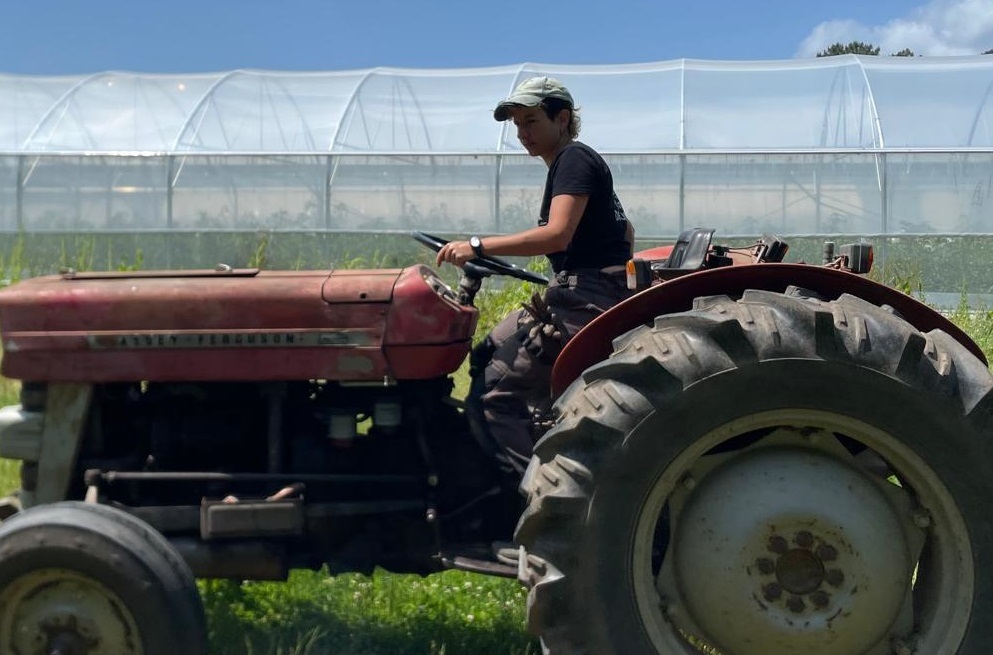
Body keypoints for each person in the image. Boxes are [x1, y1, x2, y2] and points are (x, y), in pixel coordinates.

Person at [436, 76, 634, 484]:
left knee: (494, 396)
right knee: (486, 353)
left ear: (562, 118)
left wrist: (477, 246)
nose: (522, 133)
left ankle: (539, 497)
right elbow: (625, 229)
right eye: (517, 125)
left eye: (531, 121)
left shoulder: (573, 158)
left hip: (584, 297)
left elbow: (557, 235)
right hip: (582, 289)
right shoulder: (571, 162)